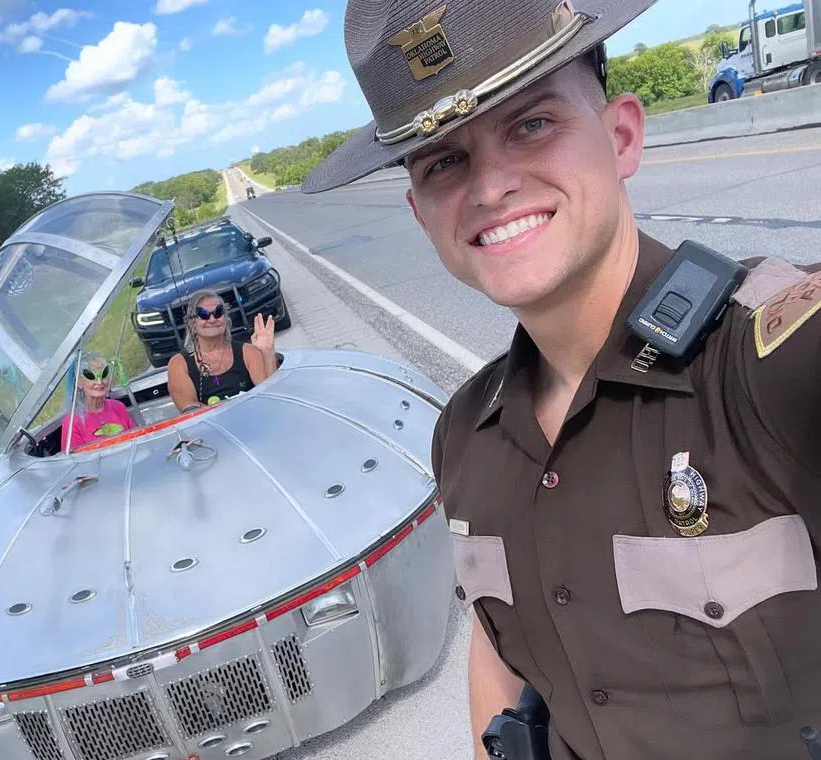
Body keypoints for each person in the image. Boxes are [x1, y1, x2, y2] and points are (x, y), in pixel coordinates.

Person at [302, 1, 821, 759]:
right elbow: (497, 656)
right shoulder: (464, 437)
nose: (490, 187)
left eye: (531, 124)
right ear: (421, 215)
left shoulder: (766, 356)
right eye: (444, 160)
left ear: (622, 135)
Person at [168, 289, 278, 411]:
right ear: (192, 324)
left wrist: (267, 352)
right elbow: (189, 409)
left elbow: (270, 395)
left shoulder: (248, 352)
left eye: (218, 312)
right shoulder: (179, 364)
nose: (212, 319)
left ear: (225, 318)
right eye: (203, 314)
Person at [57, 352, 136, 450]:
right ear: (78, 383)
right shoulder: (72, 423)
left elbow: (137, 439)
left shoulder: (118, 407)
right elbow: (75, 462)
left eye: (104, 374)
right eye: (90, 376)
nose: (99, 382)